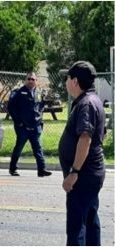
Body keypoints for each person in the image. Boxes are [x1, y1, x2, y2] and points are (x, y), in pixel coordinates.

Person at [59, 61, 106, 245]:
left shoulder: (86, 104)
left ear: (75, 81)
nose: (66, 82)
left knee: (77, 226)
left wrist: (74, 172)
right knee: (90, 221)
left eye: (68, 78)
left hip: (83, 176)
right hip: (92, 174)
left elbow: (85, 138)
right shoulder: (93, 100)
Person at [7, 72, 52, 177]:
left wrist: (39, 119)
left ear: (36, 81)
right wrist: (18, 122)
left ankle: (42, 169)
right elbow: (11, 108)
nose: (31, 81)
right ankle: (12, 169)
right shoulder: (18, 92)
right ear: (25, 80)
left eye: (33, 79)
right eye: (29, 79)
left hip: (35, 126)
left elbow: (40, 106)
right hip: (22, 127)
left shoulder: (38, 92)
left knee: (38, 148)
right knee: (18, 148)